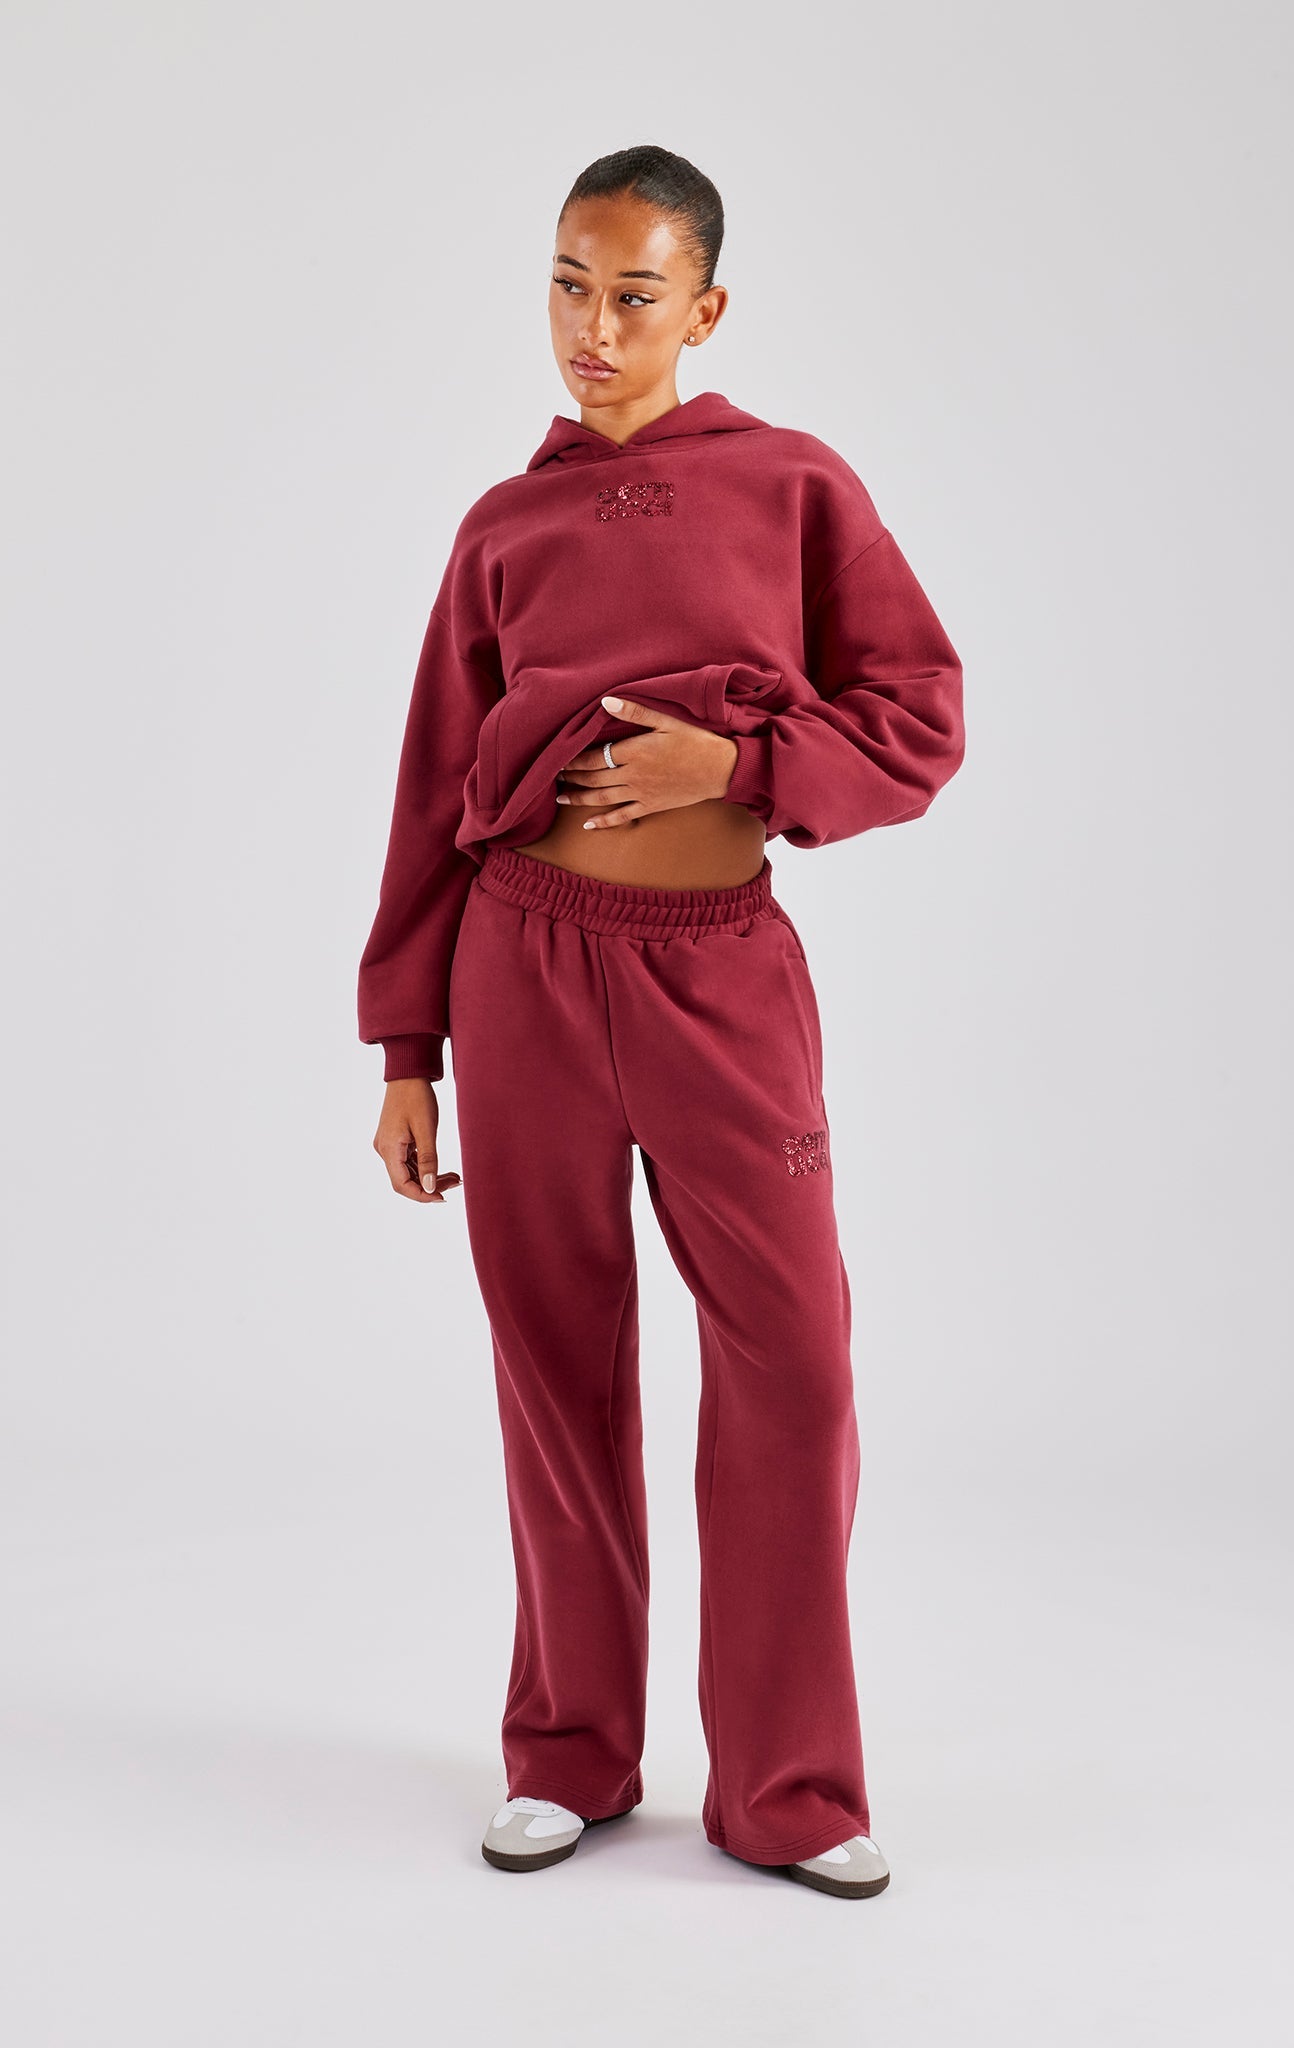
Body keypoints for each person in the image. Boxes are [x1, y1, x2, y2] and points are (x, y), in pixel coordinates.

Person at [357, 143, 965, 1901]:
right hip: (519, 967)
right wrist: (407, 1050)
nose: (595, 328)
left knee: (793, 1358)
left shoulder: (792, 486)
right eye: (569, 284)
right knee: (552, 1361)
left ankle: (787, 1789)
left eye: (635, 294)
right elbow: (430, 790)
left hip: (719, 971)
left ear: (705, 309)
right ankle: (567, 1753)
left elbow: (918, 711)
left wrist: (745, 765)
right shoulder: (503, 525)